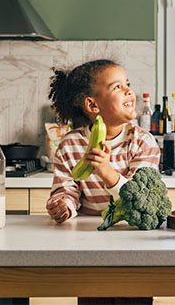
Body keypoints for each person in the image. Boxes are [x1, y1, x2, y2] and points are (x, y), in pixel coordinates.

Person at [46, 59, 160, 224]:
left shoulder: (143, 142)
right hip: (87, 231)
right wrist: (63, 206)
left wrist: (106, 171)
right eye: (117, 87)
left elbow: (142, 199)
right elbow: (66, 190)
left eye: (127, 84)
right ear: (92, 105)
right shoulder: (69, 146)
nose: (129, 91)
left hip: (130, 229)